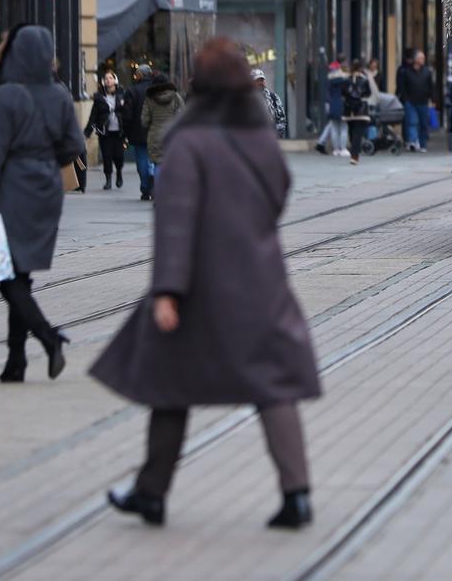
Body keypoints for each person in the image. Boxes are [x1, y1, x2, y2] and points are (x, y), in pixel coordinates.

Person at [92, 38, 321, 530]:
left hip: (200, 284)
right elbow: (279, 192)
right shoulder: (258, 136)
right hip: (259, 277)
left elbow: (175, 222)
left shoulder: (189, 140)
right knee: (272, 386)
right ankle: (297, 493)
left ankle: (152, 492)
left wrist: (168, 291)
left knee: (170, 384)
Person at [0, 25, 87, 384]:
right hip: (47, 187)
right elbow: (74, 146)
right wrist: (46, 161)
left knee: (6, 277)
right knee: (20, 274)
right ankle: (15, 360)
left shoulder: (6, 96)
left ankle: (49, 337)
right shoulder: (59, 95)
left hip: (11, 189)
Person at [141, 70, 185, 190]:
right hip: (172, 135)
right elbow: (183, 115)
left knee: (158, 165)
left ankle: (159, 192)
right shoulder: (175, 96)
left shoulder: (149, 98)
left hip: (155, 136)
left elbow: (144, 120)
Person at [85, 70, 128, 190]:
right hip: (105, 132)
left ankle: (119, 172)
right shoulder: (99, 97)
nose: (108, 80)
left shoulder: (122, 94)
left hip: (119, 132)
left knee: (119, 156)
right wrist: (87, 132)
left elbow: (127, 112)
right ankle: (108, 179)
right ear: (103, 81)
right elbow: (93, 115)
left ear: (115, 80)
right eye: (106, 78)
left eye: (110, 78)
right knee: (107, 156)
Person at [122, 64, 154, 201]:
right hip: (155, 130)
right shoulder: (157, 89)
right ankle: (154, 183)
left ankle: (145, 188)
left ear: (139, 75)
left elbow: (127, 114)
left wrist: (126, 131)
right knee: (155, 159)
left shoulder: (132, 91)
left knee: (141, 159)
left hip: (138, 130)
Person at [395, 50, 434, 152]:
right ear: (416, 59)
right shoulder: (406, 71)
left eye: (423, 58)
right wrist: (405, 99)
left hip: (423, 101)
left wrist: (432, 99)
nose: (423, 60)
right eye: (421, 58)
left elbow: (430, 86)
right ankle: (412, 142)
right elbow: (402, 86)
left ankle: (422, 145)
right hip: (410, 102)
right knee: (412, 122)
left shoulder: (427, 71)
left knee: (423, 124)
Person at [342, 59, 373, 166]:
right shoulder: (364, 80)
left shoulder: (346, 80)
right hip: (361, 110)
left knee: (351, 132)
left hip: (349, 110)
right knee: (357, 134)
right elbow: (368, 93)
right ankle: (354, 155)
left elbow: (343, 92)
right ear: (361, 68)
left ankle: (354, 152)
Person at [315, 61, 349, 156]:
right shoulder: (344, 80)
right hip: (342, 104)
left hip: (332, 104)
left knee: (334, 127)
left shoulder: (329, 80)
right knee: (343, 127)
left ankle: (336, 149)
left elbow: (327, 94)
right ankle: (343, 149)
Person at [254, 69, 288, 140]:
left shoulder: (273, 97)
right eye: (257, 80)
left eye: (262, 80)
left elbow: (282, 120)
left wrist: (275, 134)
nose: (260, 83)